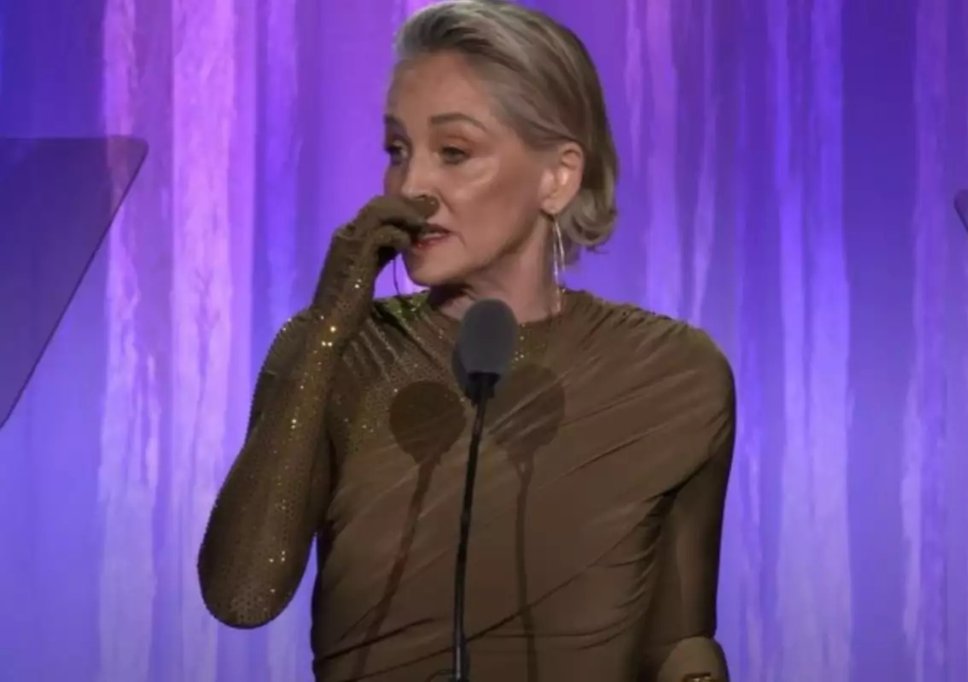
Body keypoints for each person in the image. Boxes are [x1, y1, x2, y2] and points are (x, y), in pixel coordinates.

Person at [197, 1, 736, 680]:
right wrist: (329, 329)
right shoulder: (334, 354)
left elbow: (678, 638)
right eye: (397, 151)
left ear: (558, 177)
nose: (411, 186)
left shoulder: (674, 375)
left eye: (454, 153)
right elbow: (242, 596)